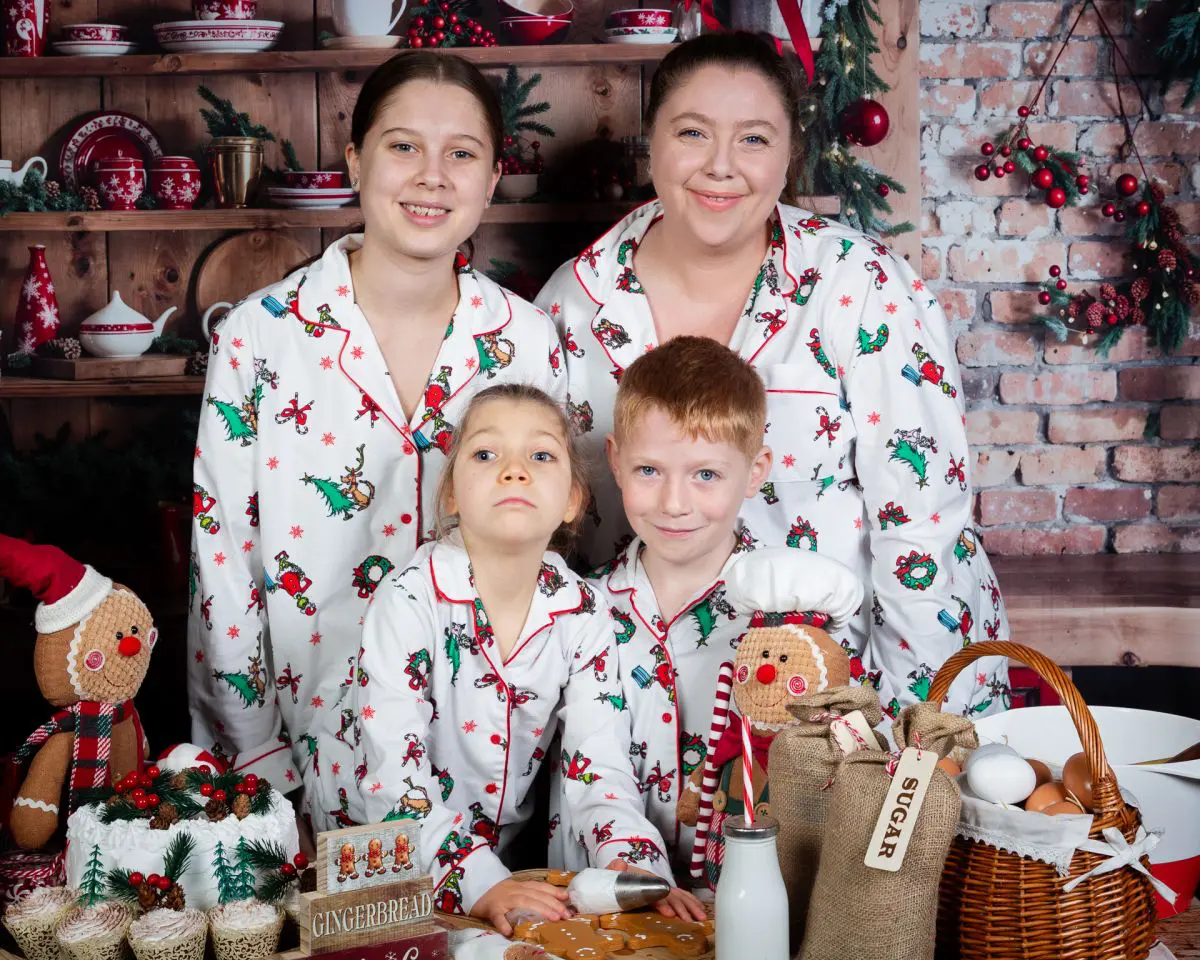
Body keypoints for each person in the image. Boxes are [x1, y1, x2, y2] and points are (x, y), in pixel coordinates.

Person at [537, 32, 1009, 718]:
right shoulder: (573, 304)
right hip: (652, 704)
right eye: (692, 132)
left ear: (790, 155)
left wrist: (909, 723)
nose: (720, 166)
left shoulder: (862, 286)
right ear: (652, 143)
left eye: (754, 139)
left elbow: (923, 520)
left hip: (858, 677)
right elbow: (560, 533)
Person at [187, 52, 565, 796]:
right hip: (302, 761)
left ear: (492, 178)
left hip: (486, 767)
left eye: (461, 153)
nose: (433, 176)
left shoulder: (527, 341)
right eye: (404, 147)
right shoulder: (260, 336)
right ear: (357, 162)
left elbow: (551, 550)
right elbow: (223, 561)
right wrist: (256, 761)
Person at [303, 385, 700, 931]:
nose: (514, 471)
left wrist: (631, 867)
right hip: (373, 852)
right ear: (451, 497)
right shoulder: (408, 600)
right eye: (486, 454)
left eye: (540, 455)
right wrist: (478, 880)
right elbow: (393, 776)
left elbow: (598, 765)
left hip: (498, 863)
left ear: (572, 501)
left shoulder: (582, 611)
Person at [550, 337, 862, 882]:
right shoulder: (580, 606)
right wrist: (638, 879)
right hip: (610, 898)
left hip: (749, 895)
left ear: (756, 470)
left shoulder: (792, 618)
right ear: (616, 461)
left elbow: (827, 762)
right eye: (649, 470)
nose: (674, 502)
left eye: (706, 475)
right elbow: (592, 767)